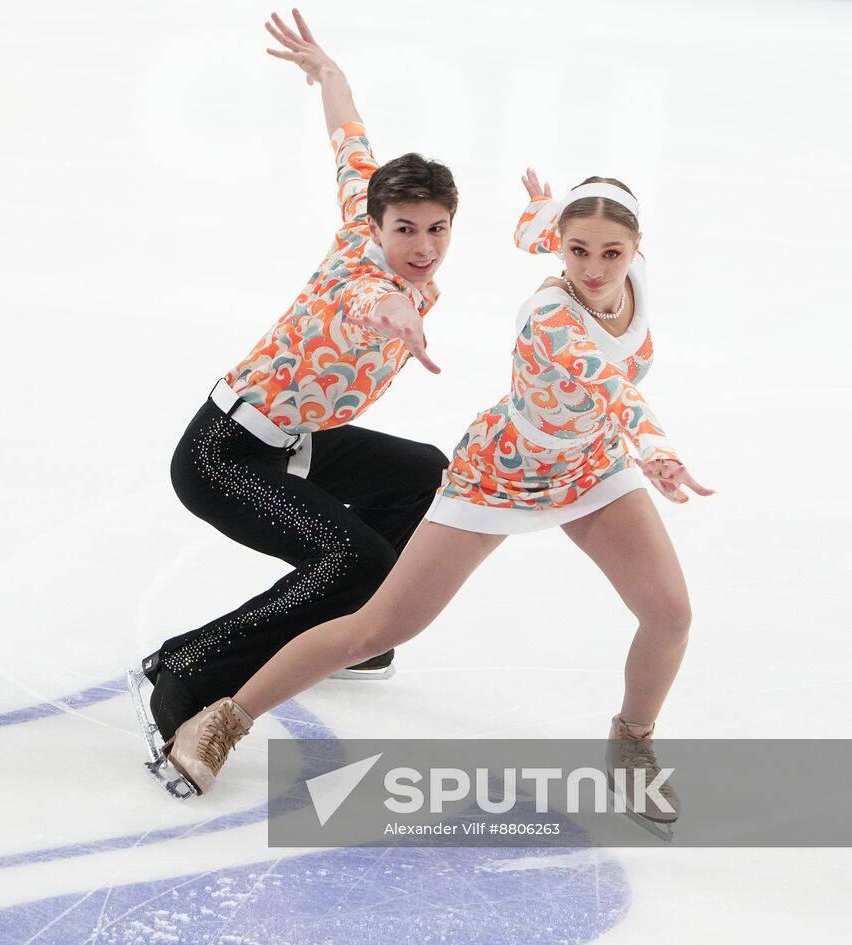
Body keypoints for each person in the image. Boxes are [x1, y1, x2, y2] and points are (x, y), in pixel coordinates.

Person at [162, 168, 714, 831]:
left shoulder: (624, 265)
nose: (593, 268)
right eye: (577, 250)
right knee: (379, 627)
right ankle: (222, 719)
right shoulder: (549, 316)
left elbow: (534, 227)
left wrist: (541, 209)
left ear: (637, 247)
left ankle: (631, 744)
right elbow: (613, 385)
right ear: (561, 248)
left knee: (670, 612)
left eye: (611, 253)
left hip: (592, 465)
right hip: (504, 471)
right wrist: (656, 449)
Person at [129, 9, 460, 786]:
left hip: (291, 440)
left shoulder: (359, 219)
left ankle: (354, 630)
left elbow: (351, 146)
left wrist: (331, 75)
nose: (421, 246)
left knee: (422, 473)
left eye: (437, 229)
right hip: (222, 455)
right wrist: (395, 310)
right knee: (352, 556)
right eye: (406, 228)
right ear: (378, 227)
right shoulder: (366, 278)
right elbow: (363, 305)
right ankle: (184, 670)